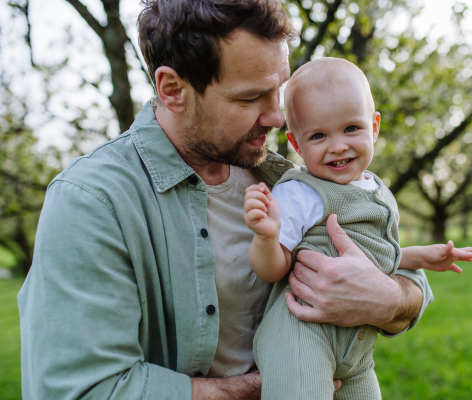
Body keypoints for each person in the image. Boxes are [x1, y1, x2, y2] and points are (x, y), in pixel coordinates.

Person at [18, 1, 436, 399]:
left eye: (279, 90)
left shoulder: (286, 178)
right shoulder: (91, 203)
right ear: (173, 89)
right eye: (250, 97)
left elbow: (392, 265)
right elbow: (79, 390)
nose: (276, 116)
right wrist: (273, 385)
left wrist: (390, 298)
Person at [244, 58, 472, 399]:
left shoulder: (376, 190)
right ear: (297, 145)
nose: (337, 145)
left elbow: (373, 258)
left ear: (374, 126)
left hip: (356, 350)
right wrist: (267, 238)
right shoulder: (299, 192)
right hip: (300, 336)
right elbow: (272, 269)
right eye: (319, 135)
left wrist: (420, 257)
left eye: (351, 129)